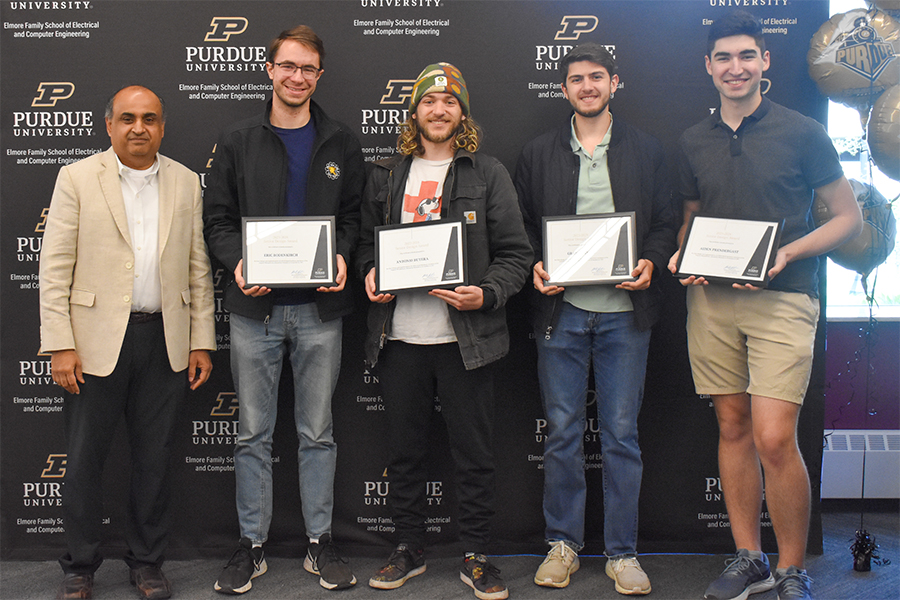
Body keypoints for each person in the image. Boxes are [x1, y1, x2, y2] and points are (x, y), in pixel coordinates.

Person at [668, 11, 862, 600]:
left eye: (746, 56)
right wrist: (681, 256)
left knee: (774, 437)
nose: (735, 67)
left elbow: (849, 219)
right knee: (732, 426)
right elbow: (691, 221)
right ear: (709, 66)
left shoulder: (804, 132)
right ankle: (748, 557)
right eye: (723, 58)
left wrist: (785, 253)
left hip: (784, 298)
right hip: (711, 301)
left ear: (764, 62)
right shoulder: (692, 140)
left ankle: (791, 568)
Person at [357, 62, 532, 600]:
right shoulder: (387, 173)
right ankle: (408, 548)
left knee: (474, 452)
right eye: (429, 102)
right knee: (404, 452)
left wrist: (488, 293)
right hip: (400, 337)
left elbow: (517, 255)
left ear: (462, 111)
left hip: (467, 341)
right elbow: (366, 243)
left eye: (449, 102)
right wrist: (369, 273)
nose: (439, 110)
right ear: (415, 112)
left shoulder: (488, 174)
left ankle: (476, 553)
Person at [203, 24, 364, 595]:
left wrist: (342, 255)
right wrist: (237, 264)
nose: (297, 77)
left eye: (309, 69)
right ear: (269, 69)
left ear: (319, 76)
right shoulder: (239, 139)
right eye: (288, 66)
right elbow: (217, 222)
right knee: (252, 433)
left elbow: (353, 219)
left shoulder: (341, 140)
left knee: (317, 431)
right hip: (256, 312)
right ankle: (252, 546)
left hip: (321, 310)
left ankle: (320, 543)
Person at [40, 85, 216, 600]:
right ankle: (79, 566)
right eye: (128, 118)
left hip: (165, 341)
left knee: (155, 460)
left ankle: (146, 563)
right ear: (109, 124)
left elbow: (197, 268)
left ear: (163, 126)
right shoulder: (75, 177)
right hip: (92, 346)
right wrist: (61, 344)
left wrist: (200, 339)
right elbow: (54, 269)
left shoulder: (185, 181)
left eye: (149, 119)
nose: (138, 127)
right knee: (83, 460)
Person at [514, 43, 676, 596]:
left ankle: (622, 552)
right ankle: (563, 544)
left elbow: (665, 220)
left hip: (625, 313)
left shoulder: (647, 150)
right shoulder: (537, 153)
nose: (587, 86)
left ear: (613, 83)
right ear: (564, 89)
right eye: (577, 79)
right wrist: (537, 263)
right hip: (560, 311)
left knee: (621, 436)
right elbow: (522, 230)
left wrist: (651, 260)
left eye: (597, 77)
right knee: (560, 433)